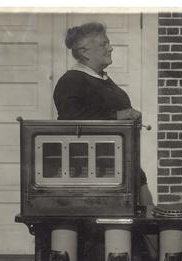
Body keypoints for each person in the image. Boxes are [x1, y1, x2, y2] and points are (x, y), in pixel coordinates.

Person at [53, 22, 152, 205]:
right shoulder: (71, 81)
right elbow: (71, 118)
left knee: (147, 221)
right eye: (103, 44)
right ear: (85, 51)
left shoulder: (103, 80)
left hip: (124, 170)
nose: (110, 48)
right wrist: (117, 116)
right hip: (92, 173)